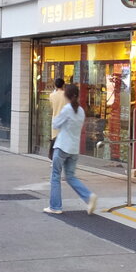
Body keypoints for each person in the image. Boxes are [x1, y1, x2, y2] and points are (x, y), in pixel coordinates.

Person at [45, 84, 98, 215]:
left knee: (55, 176)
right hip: (74, 148)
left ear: (66, 95)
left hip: (62, 146)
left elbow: (56, 124)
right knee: (70, 176)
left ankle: (55, 206)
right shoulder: (81, 111)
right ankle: (88, 196)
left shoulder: (67, 109)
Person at [48, 77, 68, 158]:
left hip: (55, 120)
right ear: (63, 85)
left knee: (55, 140)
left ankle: (54, 158)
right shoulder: (66, 95)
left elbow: (51, 106)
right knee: (64, 141)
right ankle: (63, 159)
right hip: (65, 120)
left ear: (55, 85)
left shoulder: (52, 95)